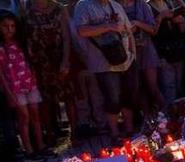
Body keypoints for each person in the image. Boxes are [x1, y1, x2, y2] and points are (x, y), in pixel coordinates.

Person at [74, 0, 137, 143]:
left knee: (129, 95)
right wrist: (108, 26)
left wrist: (133, 54)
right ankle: (114, 133)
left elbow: (128, 29)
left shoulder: (116, 5)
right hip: (103, 62)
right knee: (112, 98)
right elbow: (82, 30)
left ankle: (130, 130)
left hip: (126, 59)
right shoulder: (84, 6)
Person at [24, 0, 77, 146]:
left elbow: (67, 38)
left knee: (68, 97)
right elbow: (27, 38)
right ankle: (50, 135)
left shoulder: (59, 8)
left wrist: (65, 61)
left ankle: (74, 134)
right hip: (40, 61)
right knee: (45, 100)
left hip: (59, 57)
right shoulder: (27, 8)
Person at [0, 11, 48, 160]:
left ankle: (41, 146)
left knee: (35, 115)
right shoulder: (1, 47)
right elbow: (1, 73)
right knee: (24, 117)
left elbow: (29, 63)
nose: (9, 29)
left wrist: (34, 80)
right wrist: (8, 93)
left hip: (29, 84)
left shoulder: (21, 43)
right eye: (5, 26)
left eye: (12, 26)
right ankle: (28, 149)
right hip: (14, 88)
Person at [121, 0, 165, 113]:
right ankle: (147, 119)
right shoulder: (115, 6)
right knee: (137, 89)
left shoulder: (142, 5)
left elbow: (154, 30)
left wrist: (137, 23)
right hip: (127, 52)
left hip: (146, 49)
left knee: (152, 87)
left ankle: (167, 115)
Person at [150, 0, 185, 102]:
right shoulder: (148, 7)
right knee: (168, 87)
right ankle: (171, 113)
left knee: (180, 85)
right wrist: (160, 17)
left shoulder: (169, 3)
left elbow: (183, 29)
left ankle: (182, 111)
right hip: (162, 53)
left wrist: (181, 22)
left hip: (178, 51)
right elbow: (151, 32)